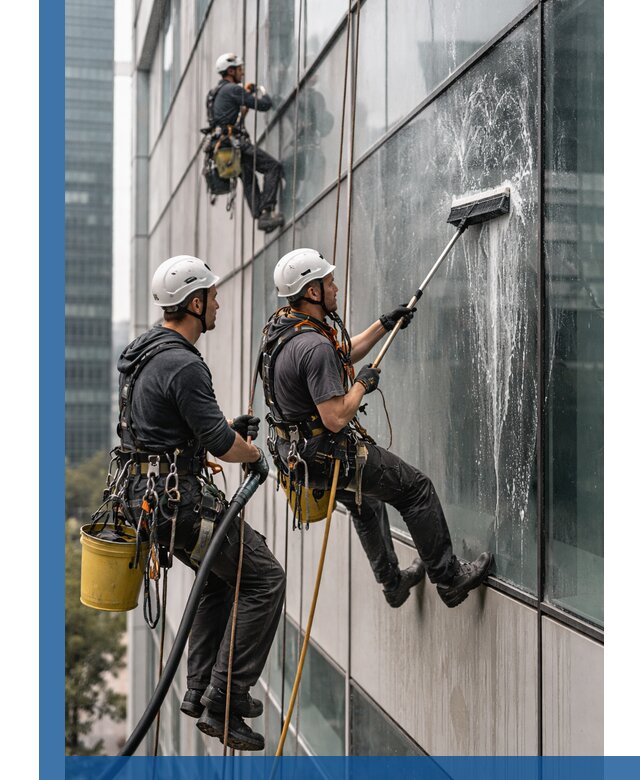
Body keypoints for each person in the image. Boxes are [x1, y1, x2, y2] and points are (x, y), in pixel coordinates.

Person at [259, 247, 493, 610]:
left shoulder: (285, 329)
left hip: (298, 456)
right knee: (415, 490)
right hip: (325, 456)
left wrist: (384, 325)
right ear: (313, 292)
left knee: (364, 500)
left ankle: (393, 584)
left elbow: (338, 355)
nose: (335, 288)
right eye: (330, 282)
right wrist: (362, 385)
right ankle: (449, 580)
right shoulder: (312, 345)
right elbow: (335, 417)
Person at [117, 254, 285, 752]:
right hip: (177, 505)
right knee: (265, 580)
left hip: (149, 499)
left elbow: (171, 428)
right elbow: (219, 444)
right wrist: (250, 452)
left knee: (220, 576)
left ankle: (197, 690)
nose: (219, 302)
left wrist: (225, 433)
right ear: (194, 302)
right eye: (212, 296)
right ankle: (225, 700)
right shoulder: (184, 363)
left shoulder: (146, 355)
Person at [207, 52, 285, 233]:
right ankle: (266, 212)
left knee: (249, 179)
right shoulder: (233, 90)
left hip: (224, 149)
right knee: (273, 167)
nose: (242, 73)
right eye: (240, 70)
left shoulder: (214, 93)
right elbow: (263, 105)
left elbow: (227, 111)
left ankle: (261, 217)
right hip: (236, 144)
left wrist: (246, 93)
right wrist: (263, 94)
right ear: (231, 71)